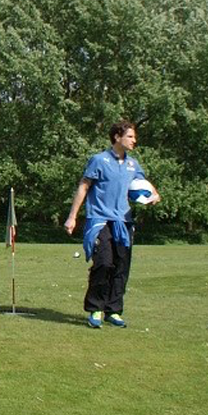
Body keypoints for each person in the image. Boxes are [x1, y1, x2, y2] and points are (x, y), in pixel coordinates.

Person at [64, 121, 160, 329]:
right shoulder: (99, 160)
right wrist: (72, 217)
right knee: (104, 263)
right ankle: (96, 308)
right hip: (100, 220)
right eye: (131, 137)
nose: (135, 141)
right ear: (117, 137)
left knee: (121, 266)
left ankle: (114, 310)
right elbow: (84, 186)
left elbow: (144, 184)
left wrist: (154, 195)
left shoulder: (133, 164)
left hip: (124, 222)